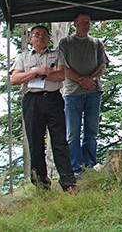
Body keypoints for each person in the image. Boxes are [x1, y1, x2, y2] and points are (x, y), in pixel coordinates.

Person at [10, 25, 77, 193]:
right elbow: (15, 78)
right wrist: (36, 72)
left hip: (53, 98)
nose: (40, 37)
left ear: (48, 38)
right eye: (36, 35)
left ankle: (68, 182)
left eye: (43, 35)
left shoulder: (56, 54)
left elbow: (61, 75)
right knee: (35, 141)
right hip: (32, 100)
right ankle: (41, 183)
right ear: (30, 39)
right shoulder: (23, 57)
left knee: (59, 140)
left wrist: (45, 74)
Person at [58, 12, 109, 175]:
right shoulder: (65, 43)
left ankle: (90, 164)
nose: (85, 25)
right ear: (75, 23)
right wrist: (82, 80)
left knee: (92, 130)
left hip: (94, 91)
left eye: (88, 22)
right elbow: (63, 68)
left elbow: (103, 65)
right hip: (72, 93)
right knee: (73, 132)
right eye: (82, 22)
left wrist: (91, 79)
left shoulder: (97, 43)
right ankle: (75, 167)